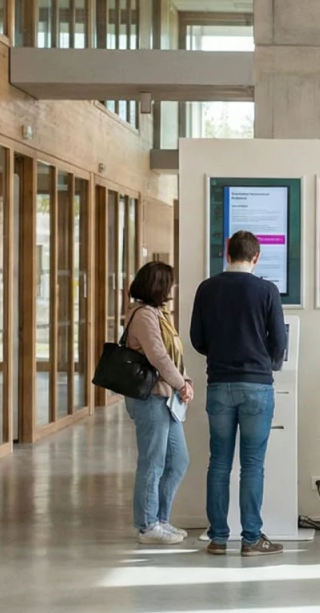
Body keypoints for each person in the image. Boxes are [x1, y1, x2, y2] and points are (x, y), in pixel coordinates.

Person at [190, 230, 289, 557]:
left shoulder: (207, 288)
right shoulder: (267, 290)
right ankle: (251, 538)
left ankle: (218, 537)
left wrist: (219, 355)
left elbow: (197, 338)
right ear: (256, 257)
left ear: (227, 254)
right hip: (257, 386)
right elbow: (279, 341)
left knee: (218, 462)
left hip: (219, 383)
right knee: (252, 464)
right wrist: (266, 365)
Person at [123, 262, 193, 545]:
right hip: (151, 398)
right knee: (152, 463)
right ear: (159, 286)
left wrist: (184, 381)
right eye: (169, 284)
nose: (171, 289)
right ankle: (147, 525)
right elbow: (158, 357)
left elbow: (173, 355)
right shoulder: (143, 316)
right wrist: (181, 384)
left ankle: (161, 519)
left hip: (166, 397)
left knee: (178, 460)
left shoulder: (158, 314)